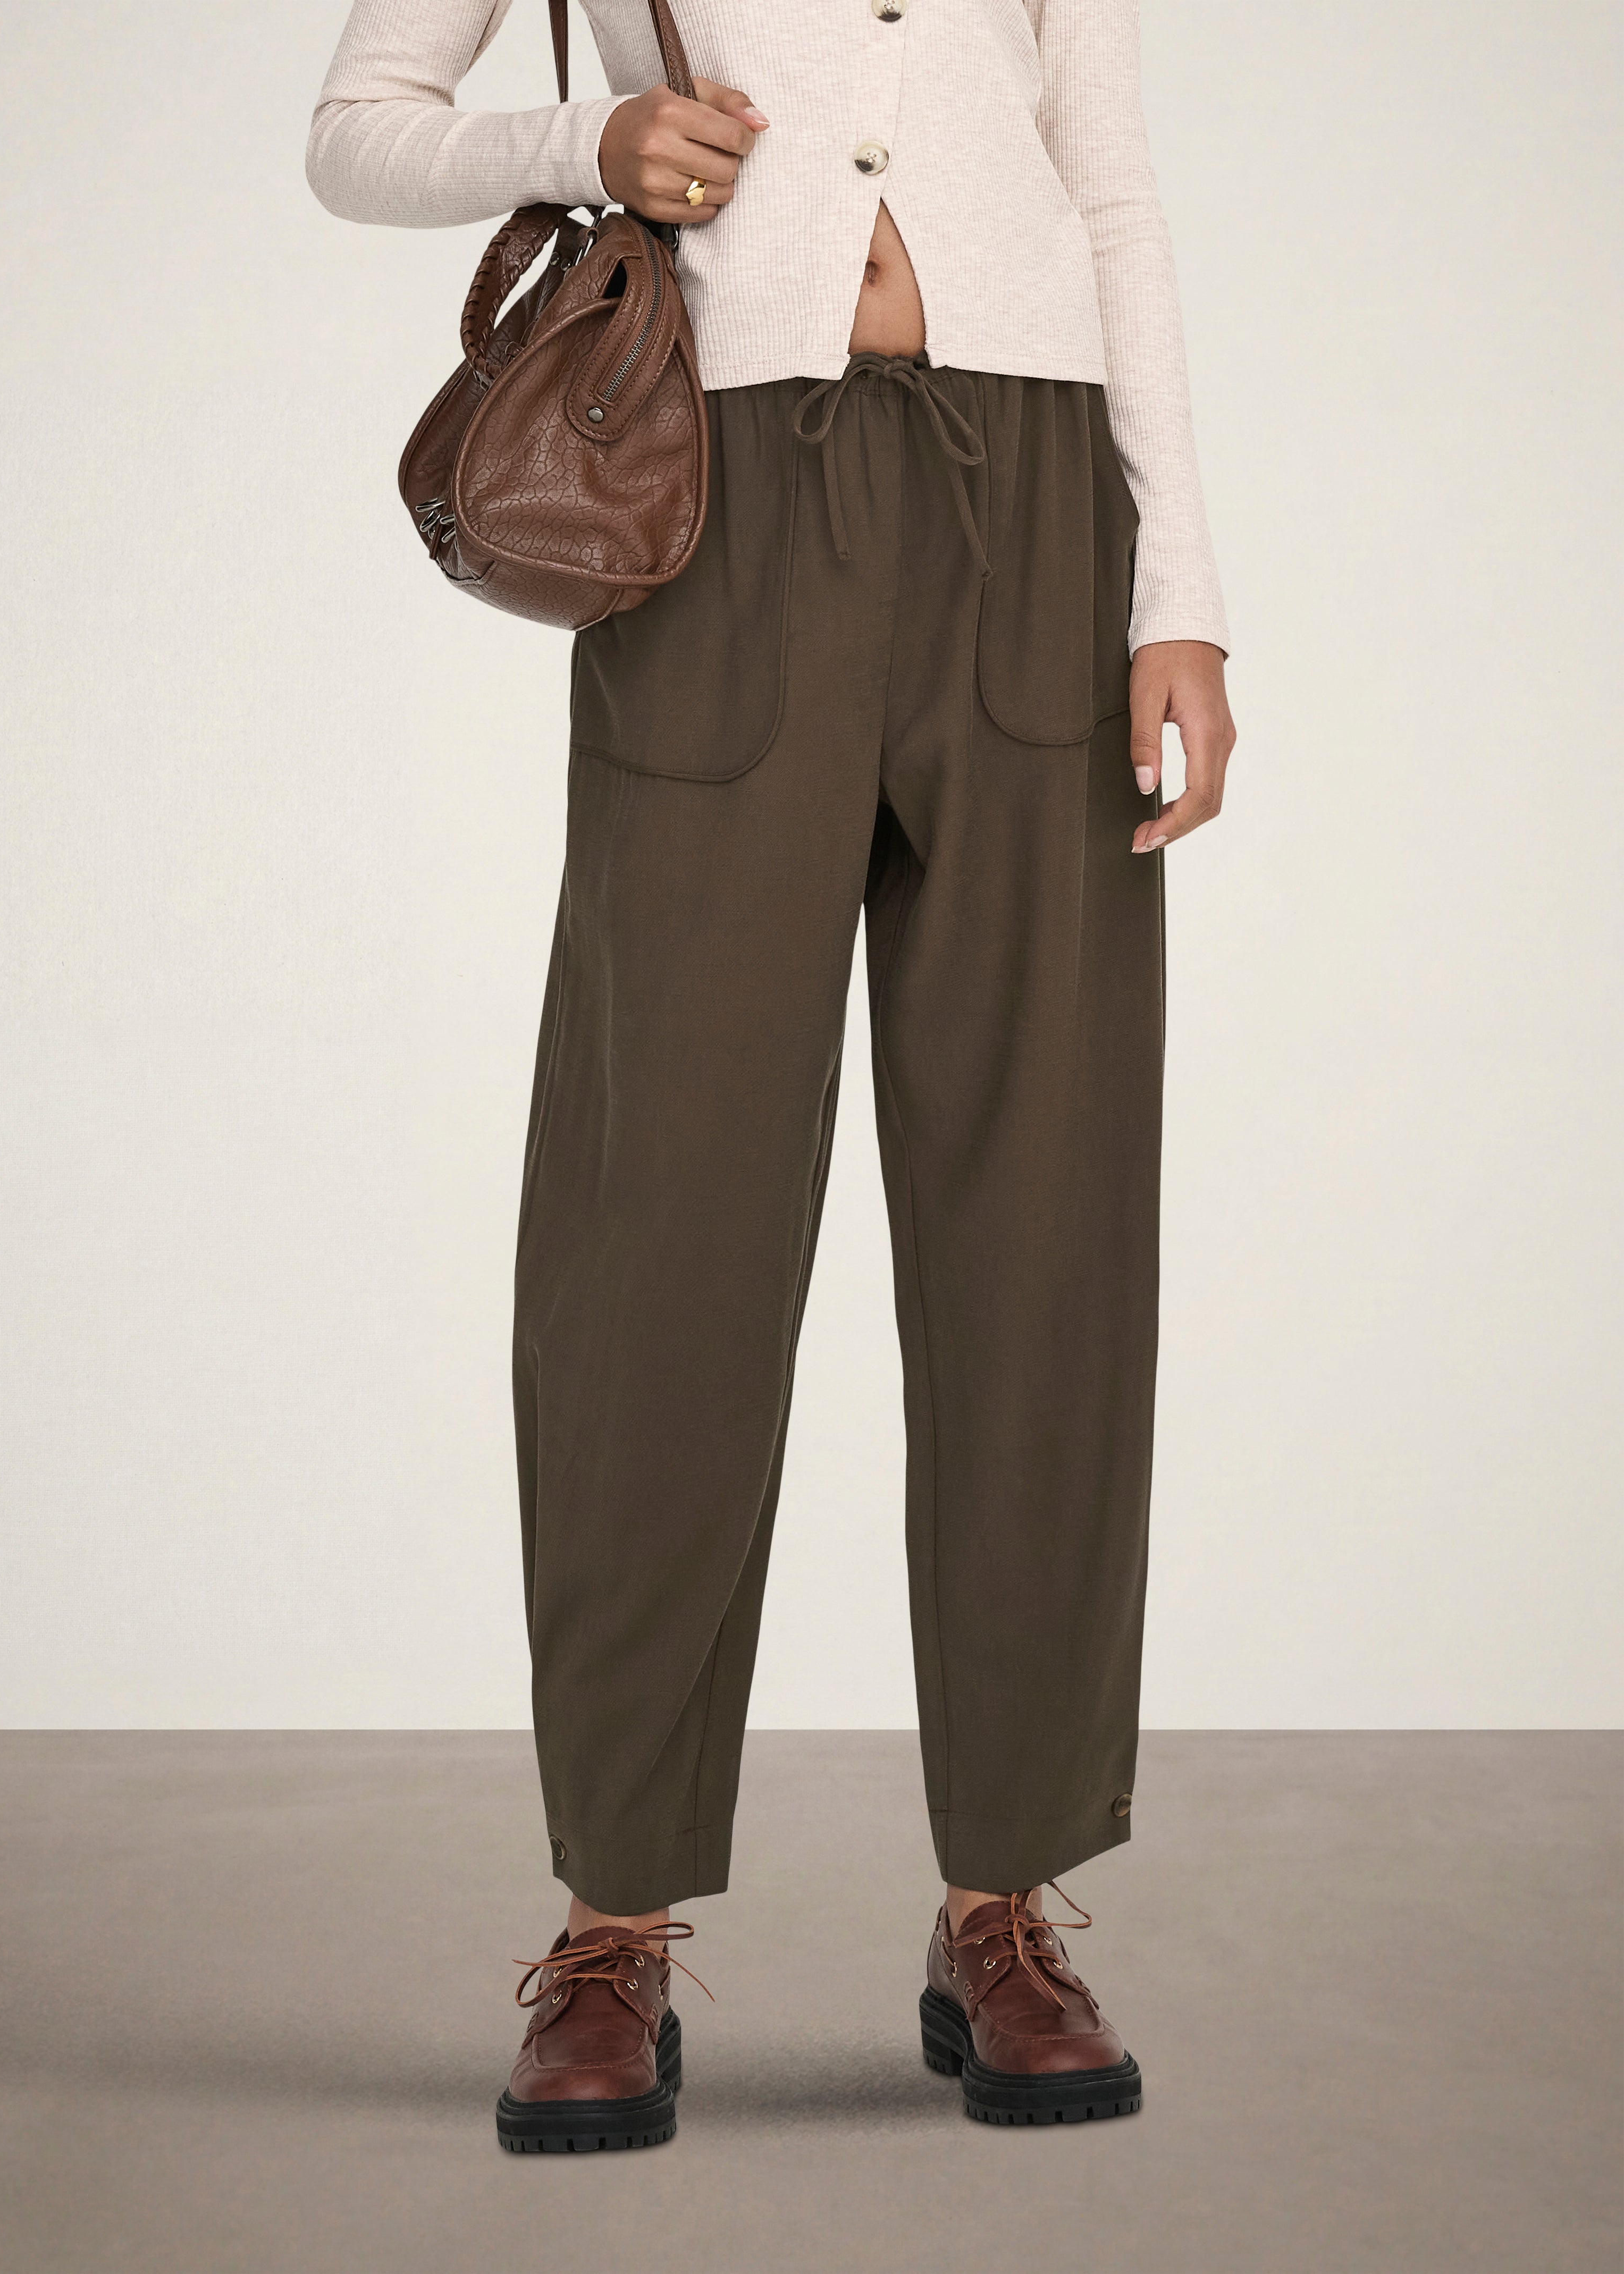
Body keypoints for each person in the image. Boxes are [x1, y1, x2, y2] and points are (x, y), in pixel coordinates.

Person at [308, 0, 1235, 2150]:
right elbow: (357, 131)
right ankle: (609, 1921)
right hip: (713, 511)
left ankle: (1004, 1902)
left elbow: (1112, 201)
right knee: (661, 1233)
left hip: (1035, 515)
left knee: (1041, 1227)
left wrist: (1176, 588)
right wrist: (590, 141)